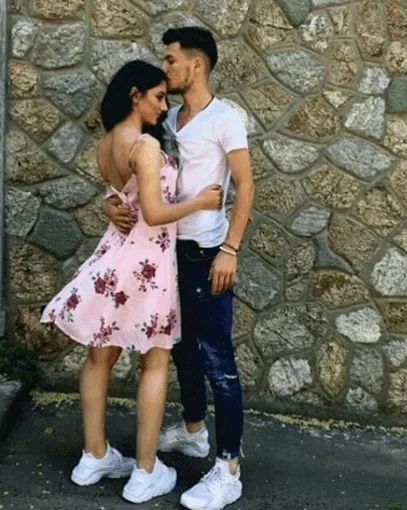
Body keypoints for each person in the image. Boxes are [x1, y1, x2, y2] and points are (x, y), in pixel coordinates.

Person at [40, 60, 223, 505]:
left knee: (98, 358)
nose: (163, 106)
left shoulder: (106, 144)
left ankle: (94, 455)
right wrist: (200, 201)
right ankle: (144, 472)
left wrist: (110, 204)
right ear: (134, 94)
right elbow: (154, 213)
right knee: (154, 363)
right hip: (148, 263)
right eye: (158, 97)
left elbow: (121, 197)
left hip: (114, 257)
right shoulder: (144, 144)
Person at [103, 27, 255, 510]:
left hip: (207, 254)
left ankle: (228, 469)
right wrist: (110, 202)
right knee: (182, 349)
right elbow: (133, 171)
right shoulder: (166, 119)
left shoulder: (225, 118)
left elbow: (246, 186)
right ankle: (193, 431)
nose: (164, 68)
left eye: (171, 60)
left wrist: (230, 249)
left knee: (217, 360)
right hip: (167, 252)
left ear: (197, 65)